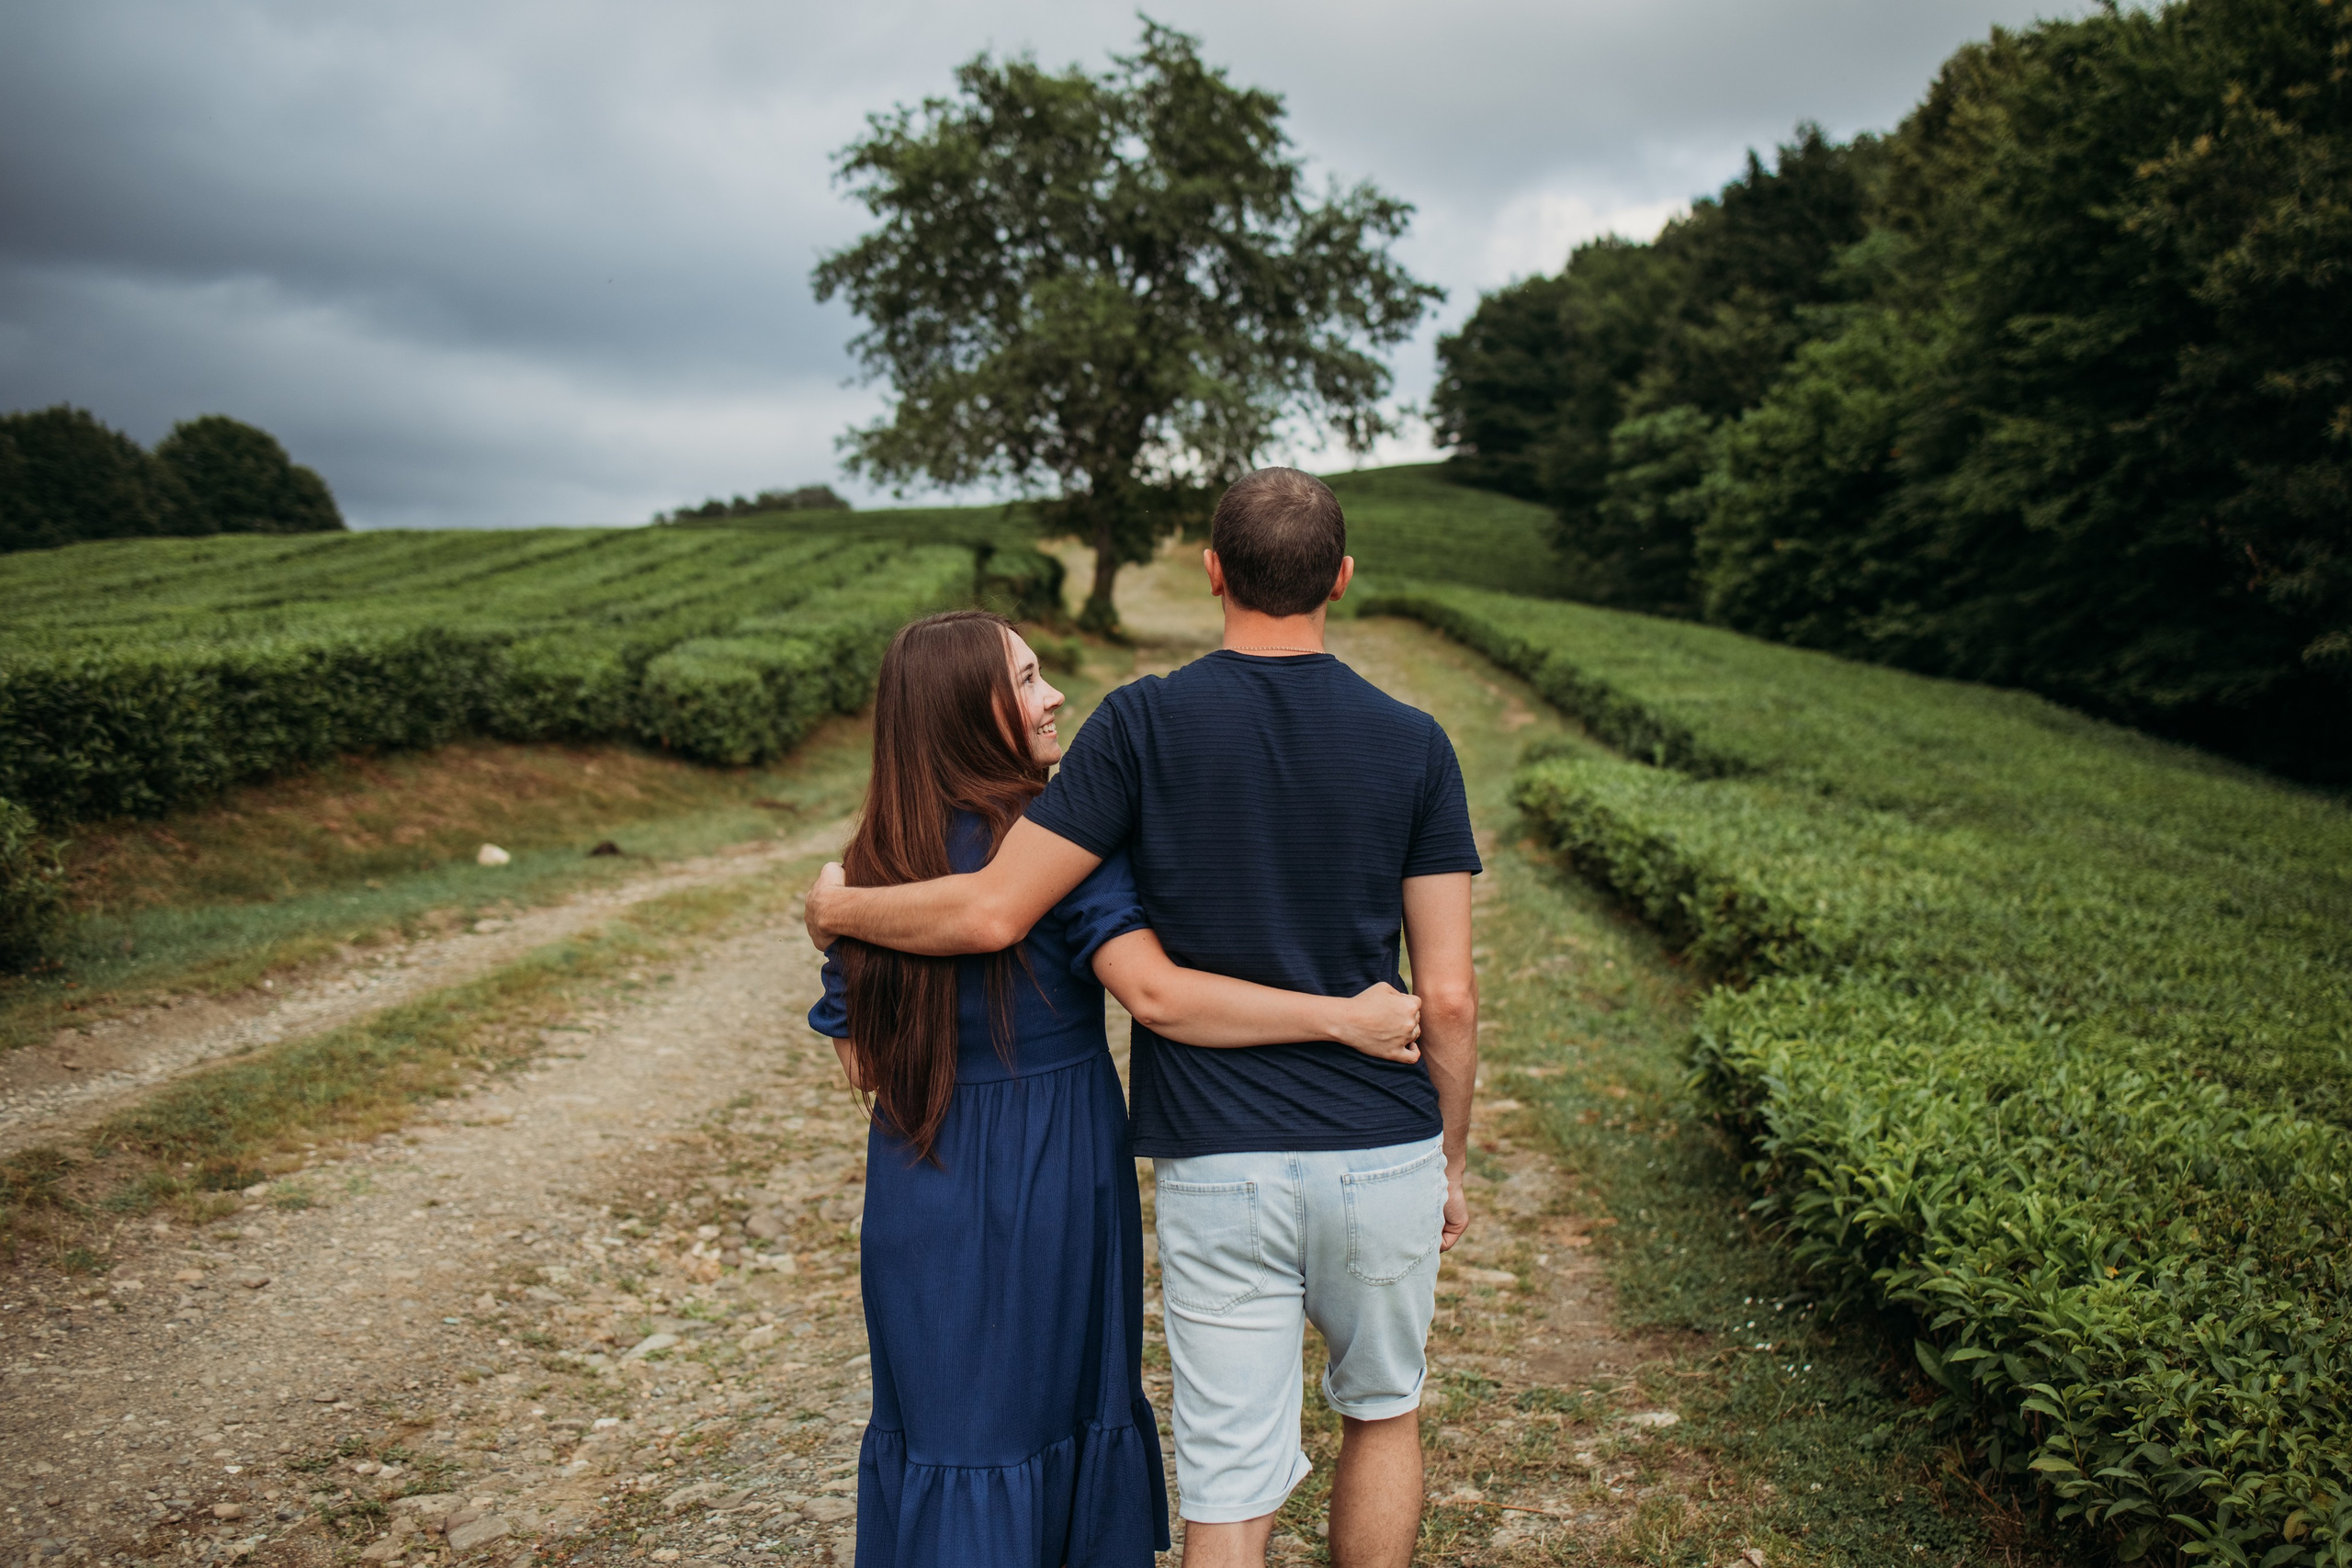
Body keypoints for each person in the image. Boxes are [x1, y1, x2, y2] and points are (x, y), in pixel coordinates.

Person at [806, 468, 1481, 1568]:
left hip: (1210, 1155)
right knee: (1382, 1410)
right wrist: (1446, 1154)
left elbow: (956, 950)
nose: (1050, 700)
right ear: (1342, 578)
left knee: (1228, 1481)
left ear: (1212, 572)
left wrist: (836, 910)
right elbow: (1444, 997)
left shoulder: (1135, 727)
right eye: (1028, 679)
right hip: (1367, 1148)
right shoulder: (1415, 743)